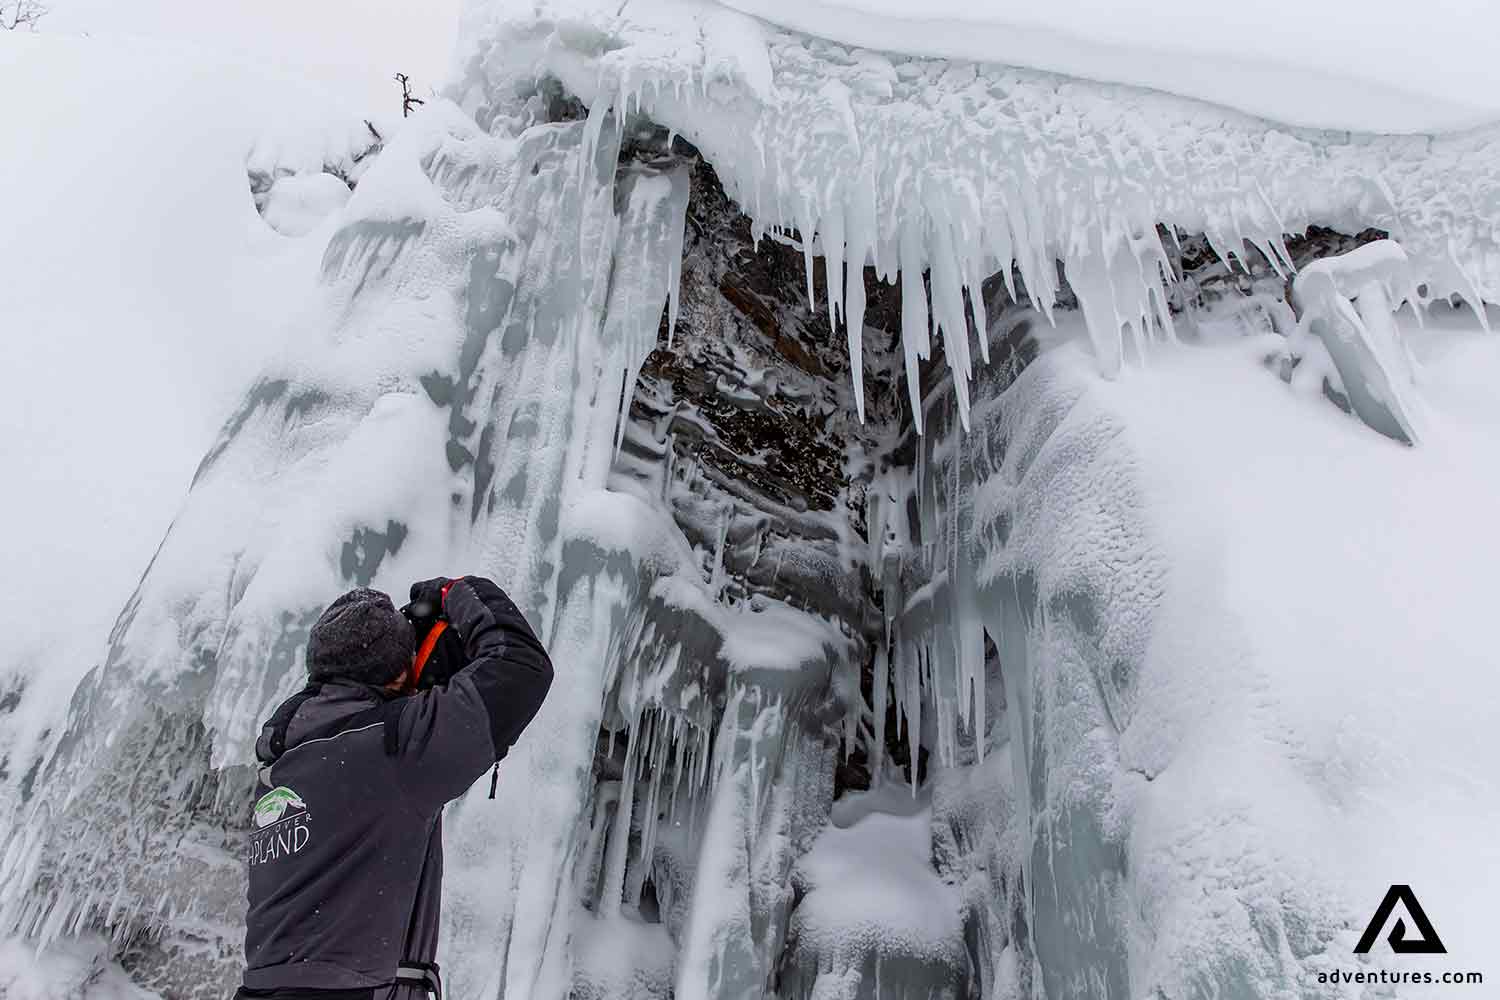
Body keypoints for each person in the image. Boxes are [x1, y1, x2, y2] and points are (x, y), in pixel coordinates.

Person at [236, 575, 553, 1000]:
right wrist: (454, 591)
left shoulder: (286, 757)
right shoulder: (391, 747)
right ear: (400, 673)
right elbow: (520, 669)